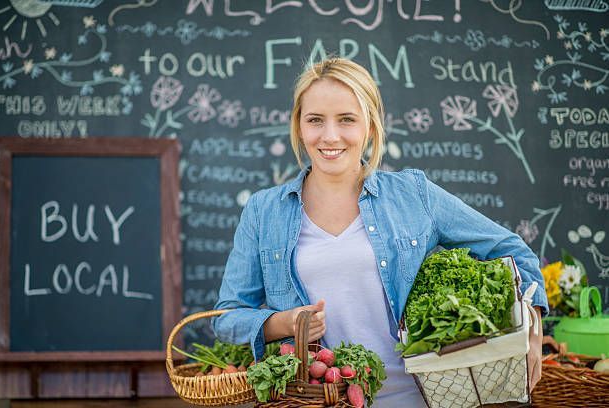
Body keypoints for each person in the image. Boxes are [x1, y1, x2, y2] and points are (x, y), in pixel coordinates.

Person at [212, 57, 548, 406]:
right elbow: (228, 316)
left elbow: (512, 251)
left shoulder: (413, 195)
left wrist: (533, 329)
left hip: (417, 399)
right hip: (318, 400)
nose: (330, 136)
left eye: (347, 120)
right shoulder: (264, 211)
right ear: (298, 127)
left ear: (370, 127)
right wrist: (282, 323)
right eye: (315, 120)